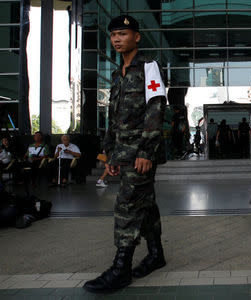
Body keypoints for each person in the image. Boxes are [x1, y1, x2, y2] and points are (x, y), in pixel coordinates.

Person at [83, 15, 167, 293]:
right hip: (123, 153)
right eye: (113, 35)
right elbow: (114, 118)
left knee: (127, 206)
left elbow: (155, 108)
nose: (117, 39)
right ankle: (156, 255)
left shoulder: (148, 67)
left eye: (123, 33)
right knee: (145, 204)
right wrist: (110, 155)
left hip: (141, 152)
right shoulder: (119, 75)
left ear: (137, 37)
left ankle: (121, 268)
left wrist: (146, 151)